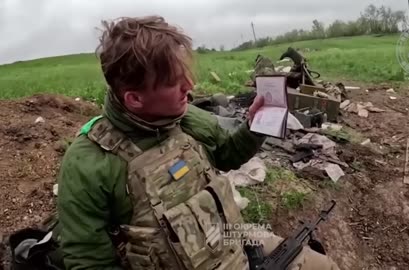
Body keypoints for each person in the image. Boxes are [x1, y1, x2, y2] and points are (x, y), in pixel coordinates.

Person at [56, 15, 340, 270]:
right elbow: (88, 261)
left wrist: (254, 126)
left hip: (229, 238)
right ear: (135, 98)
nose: (189, 86)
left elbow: (227, 155)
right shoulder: (89, 163)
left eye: (186, 75)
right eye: (174, 82)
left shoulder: (185, 117)